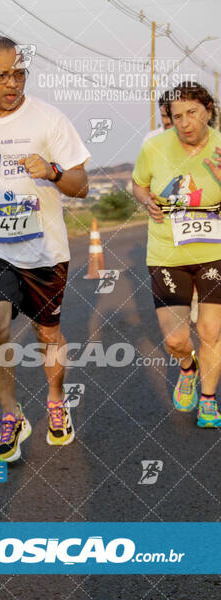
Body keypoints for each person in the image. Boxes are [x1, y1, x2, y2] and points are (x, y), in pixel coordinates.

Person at [0, 36, 90, 462]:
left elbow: (81, 185)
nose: (13, 83)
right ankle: (12, 415)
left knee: (48, 334)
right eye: (2, 74)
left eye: (19, 73)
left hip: (44, 248)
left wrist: (54, 170)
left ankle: (56, 399)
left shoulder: (49, 119)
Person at [133, 81, 221, 427]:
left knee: (210, 329)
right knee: (176, 338)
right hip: (168, 252)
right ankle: (188, 366)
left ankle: (210, 400)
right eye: (176, 115)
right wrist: (146, 200)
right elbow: (138, 183)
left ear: (208, 111)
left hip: (215, 251)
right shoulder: (154, 147)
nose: (184, 123)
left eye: (192, 113)